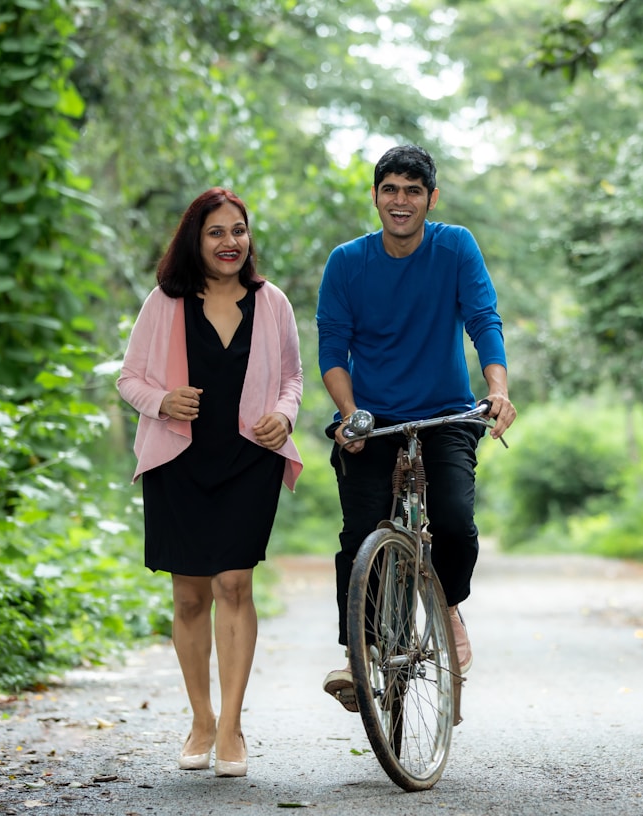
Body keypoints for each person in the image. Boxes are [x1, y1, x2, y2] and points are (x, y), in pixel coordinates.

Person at [315, 144, 517, 711]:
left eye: (412, 190)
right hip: (372, 419)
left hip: (446, 413)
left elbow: (483, 320)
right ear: (376, 196)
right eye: (390, 189)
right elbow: (333, 345)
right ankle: (361, 658)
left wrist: (497, 390)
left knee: (454, 520)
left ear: (431, 197)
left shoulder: (455, 247)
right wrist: (350, 413)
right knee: (360, 537)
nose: (400, 201)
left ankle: (448, 602)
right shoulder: (347, 262)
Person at [117, 188, 304, 778]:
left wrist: (286, 415)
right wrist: (163, 399)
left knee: (234, 583)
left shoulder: (271, 302)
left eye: (239, 230)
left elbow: (293, 379)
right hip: (180, 460)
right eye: (217, 232)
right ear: (195, 240)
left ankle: (231, 727)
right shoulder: (164, 302)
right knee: (190, 594)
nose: (230, 242)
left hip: (250, 457)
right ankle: (200, 718)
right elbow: (129, 379)